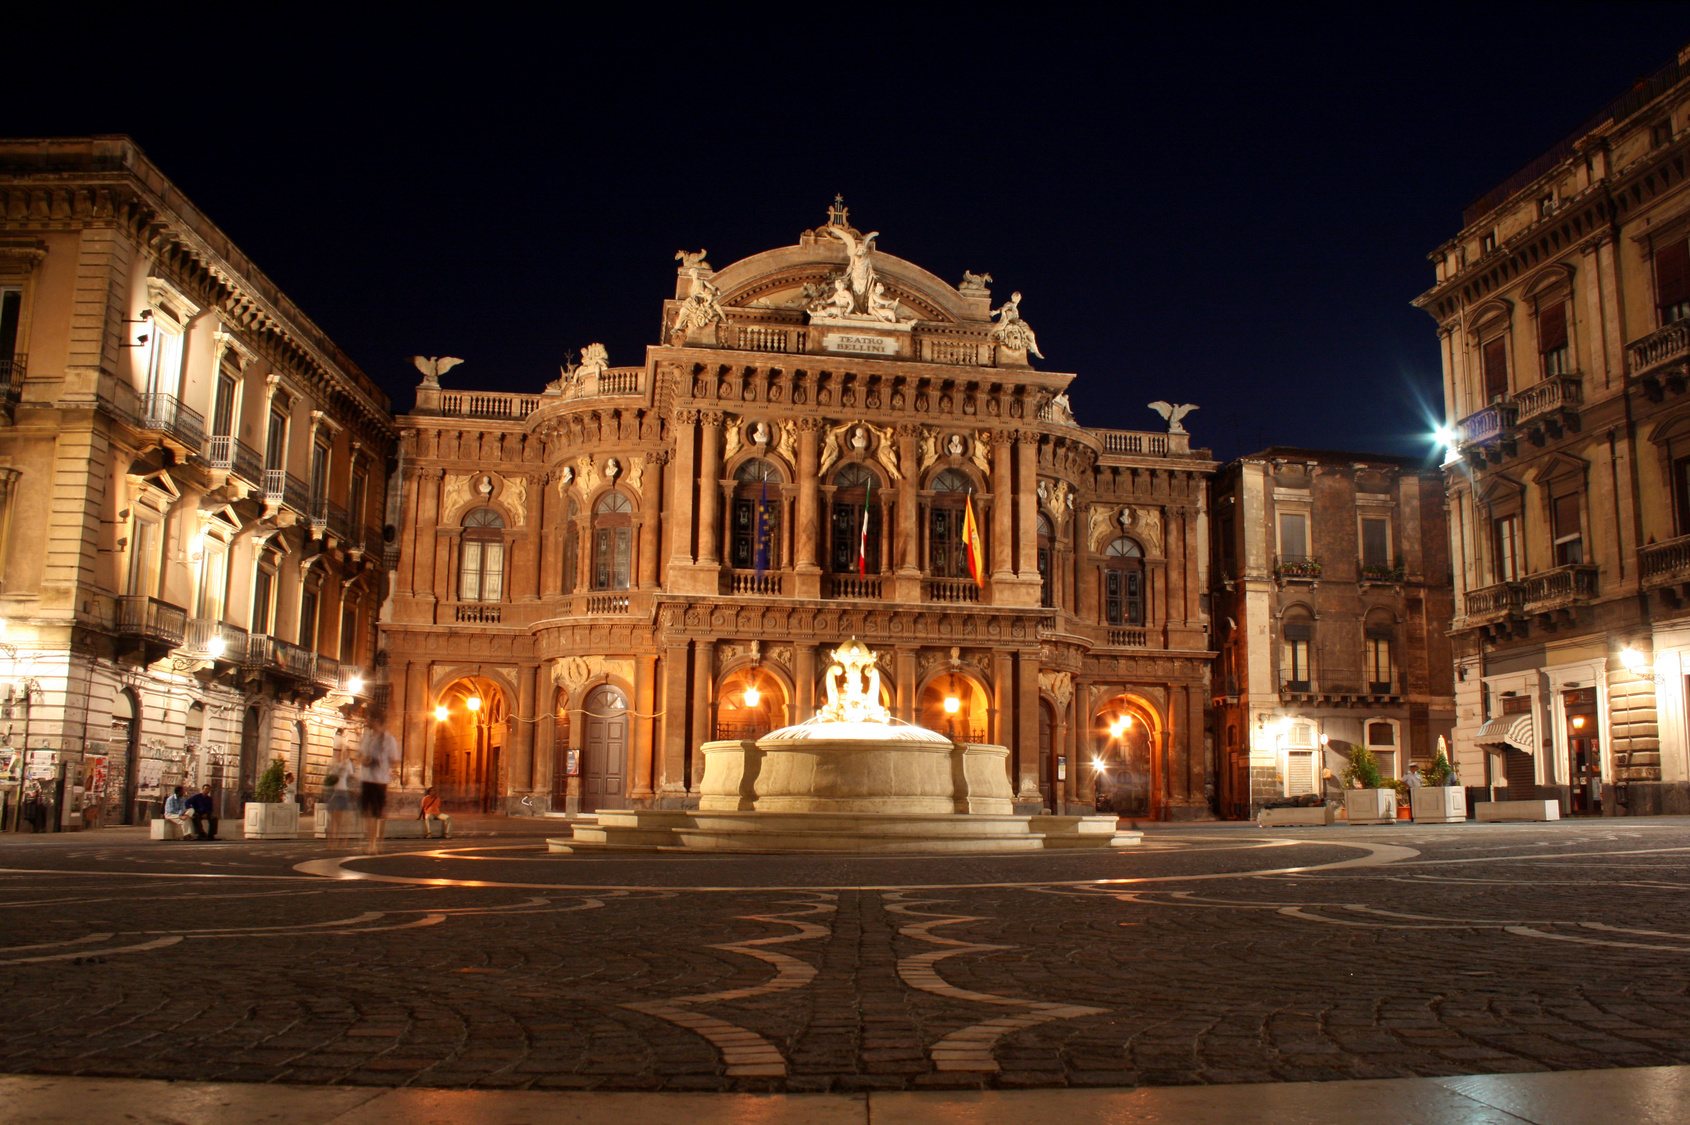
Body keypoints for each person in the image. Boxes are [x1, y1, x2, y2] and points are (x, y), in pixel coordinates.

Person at [357, 708, 401, 854]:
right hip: (366, 778)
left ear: (377, 721)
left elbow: (395, 761)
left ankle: (374, 844)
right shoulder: (366, 738)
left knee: (377, 814)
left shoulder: (389, 740)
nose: (367, 721)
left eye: (370, 719)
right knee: (368, 813)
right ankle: (372, 842)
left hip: (380, 780)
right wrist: (365, 760)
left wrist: (383, 761)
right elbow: (360, 756)